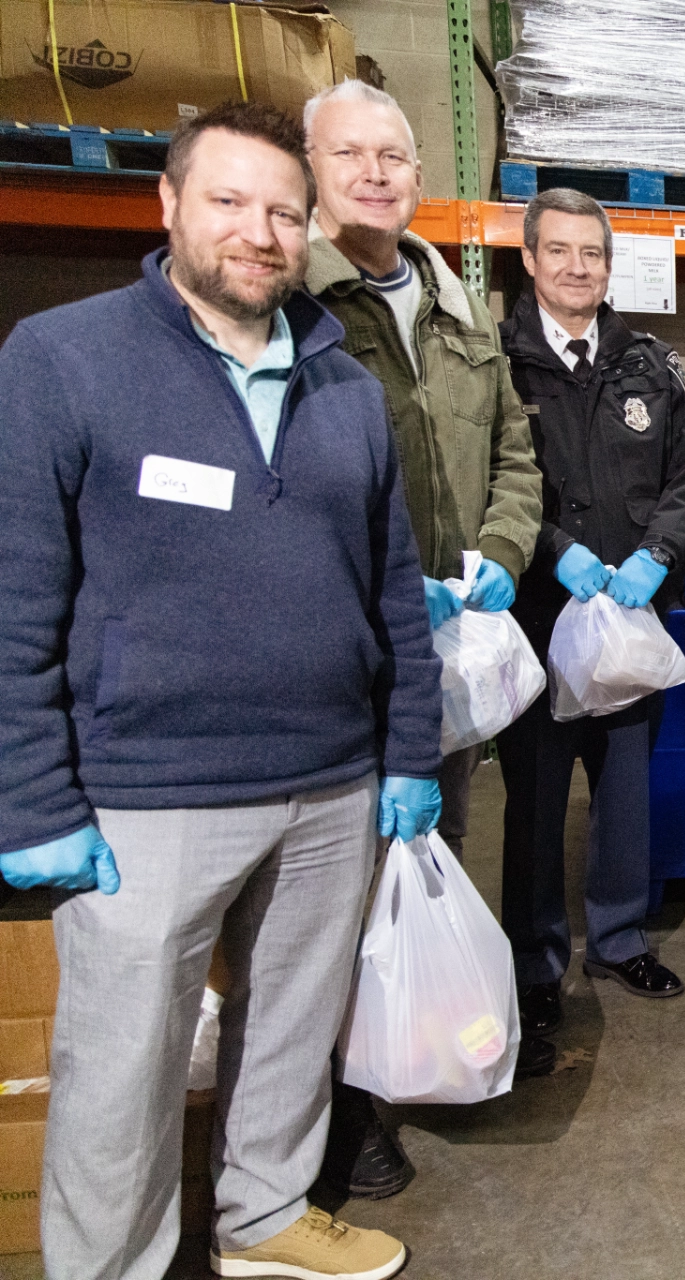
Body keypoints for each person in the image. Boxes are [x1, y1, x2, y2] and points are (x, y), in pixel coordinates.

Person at [0, 102, 436, 1280]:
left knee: (292, 1024)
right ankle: (111, 1264)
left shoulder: (343, 383)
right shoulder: (64, 358)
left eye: (285, 212)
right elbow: (15, 595)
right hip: (148, 794)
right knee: (123, 1066)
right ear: (169, 204)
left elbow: (392, 588)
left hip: (329, 784)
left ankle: (264, 1215)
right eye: (230, 201)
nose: (260, 232)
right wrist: (31, 800)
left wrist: (407, 750)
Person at [303, 77, 547, 1200]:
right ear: (312, 171)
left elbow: (513, 456)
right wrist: (387, 585)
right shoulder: (297, 308)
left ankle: (405, 1054)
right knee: (327, 891)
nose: (375, 172)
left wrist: (500, 551)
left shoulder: (458, 310)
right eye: (348, 153)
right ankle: (338, 1112)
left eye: (393, 155)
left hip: (442, 656)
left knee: (429, 849)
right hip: (337, 648)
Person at [498, 191, 685, 1032]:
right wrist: (553, 547)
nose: (576, 267)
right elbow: (487, 479)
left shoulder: (649, 365)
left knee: (625, 792)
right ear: (529, 258)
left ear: (609, 264)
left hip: (629, 623)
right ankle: (534, 962)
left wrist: (659, 553)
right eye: (558, 251)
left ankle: (619, 938)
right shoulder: (498, 363)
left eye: (591, 253)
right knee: (535, 800)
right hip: (539, 621)